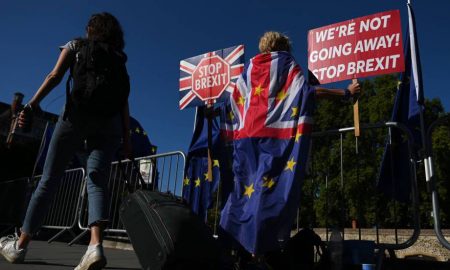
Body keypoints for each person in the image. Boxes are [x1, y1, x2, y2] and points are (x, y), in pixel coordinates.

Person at [0, 12, 131, 270]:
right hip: (110, 124)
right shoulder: (119, 60)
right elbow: (124, 102)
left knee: (49, 180)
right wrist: (127, 140)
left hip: (75, 117)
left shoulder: (76, 45)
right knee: (97, 182)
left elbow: (55, 77)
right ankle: (95, 246)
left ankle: (21, 245)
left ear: (91, 29)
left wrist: (32, 104)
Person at [219, 31, 360, 269]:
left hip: (245, 139)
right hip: (275, 137)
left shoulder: (249, 69)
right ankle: (262, 252)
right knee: (269, 196)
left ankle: (236, 248)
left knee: (243, 194)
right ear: (284, 46)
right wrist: (346, 93)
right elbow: (305, 93)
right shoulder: (286, 63)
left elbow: (231, 102)